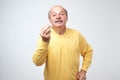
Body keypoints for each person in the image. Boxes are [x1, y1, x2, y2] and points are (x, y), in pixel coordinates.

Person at [32, 5, 93, 80]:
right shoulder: (45, 36)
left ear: (67, 18)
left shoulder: (76, 35)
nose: (58, 16)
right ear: (50, 20)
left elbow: (88, 51)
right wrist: (44, 41)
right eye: (54, 15)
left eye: (61, 14)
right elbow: (37, 62)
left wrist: (83, 70)